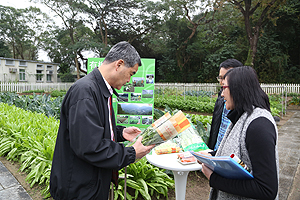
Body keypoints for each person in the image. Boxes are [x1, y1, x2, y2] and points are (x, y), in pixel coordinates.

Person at [50, 41, 155, 200]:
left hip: (91, 182)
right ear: (119, 64)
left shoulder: (100, 89)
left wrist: (120, 133)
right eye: (131, 73)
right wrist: (131, 153)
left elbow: (94, 129)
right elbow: (91, 147)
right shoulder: (85, 92)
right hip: (80, 189)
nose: (130, 80)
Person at [201, 66, 279, 200]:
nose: (221, 94)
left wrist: (213, 179)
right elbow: (241, 156)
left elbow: (266, 189)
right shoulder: (241, 115)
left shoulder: (259, 126)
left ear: (238, 89)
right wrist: (211, 156)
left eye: (224, 88)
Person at [207, 59, 243, 153]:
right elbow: (216, 126)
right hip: (216, 152)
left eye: (226, 78)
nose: (222, 82)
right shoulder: (221, 97)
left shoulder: (245, 107)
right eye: (220, 78)